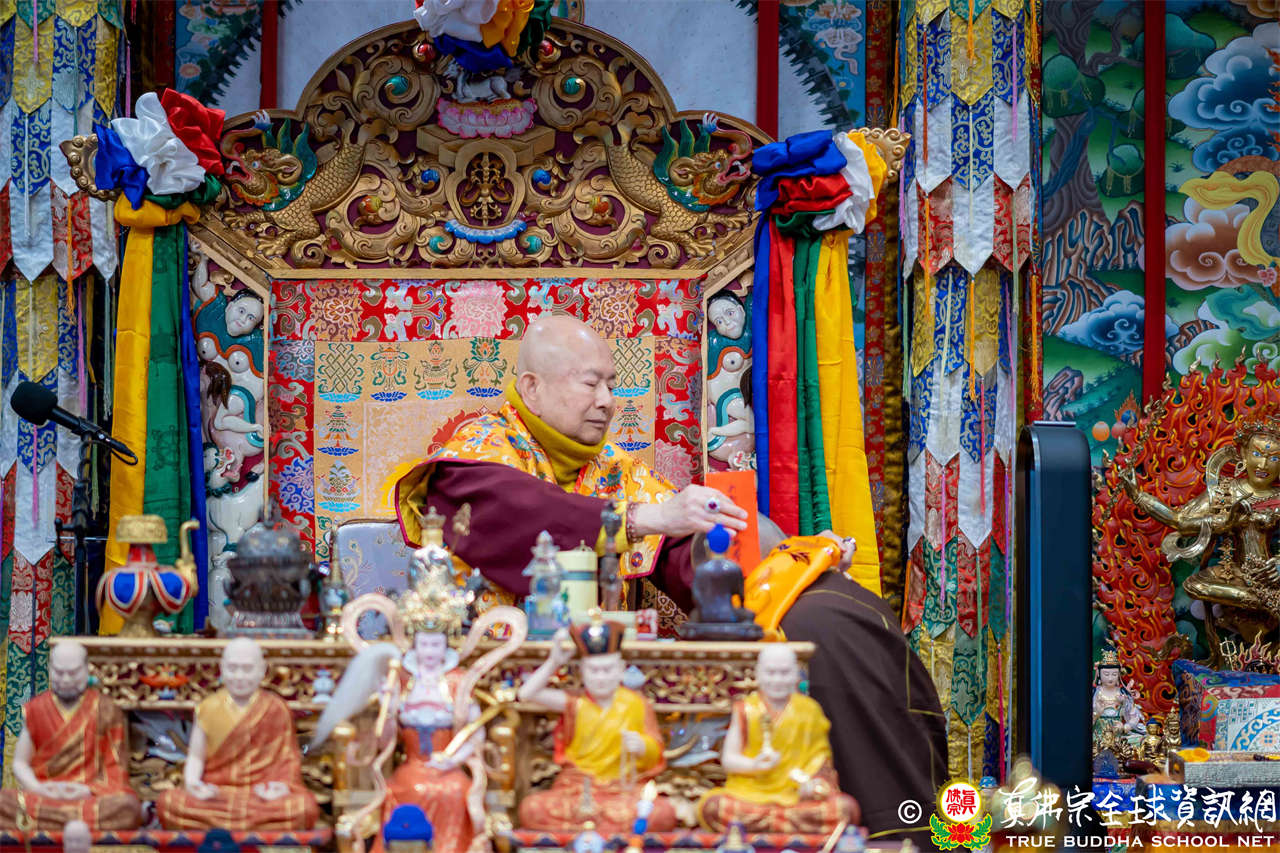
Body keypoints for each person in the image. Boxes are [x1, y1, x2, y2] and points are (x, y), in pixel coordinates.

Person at [396, 314, 947, 843]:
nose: (607, 401)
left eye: (612, 384)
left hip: (607, 683)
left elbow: (692, 545)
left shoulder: (613, 470)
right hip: (495, 680)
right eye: (590, 383)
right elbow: (510, 516)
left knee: (830, 615)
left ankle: (896, 824)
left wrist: (789, 558)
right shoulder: (478, 452)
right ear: (531, 388)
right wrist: (641, 519)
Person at [516, 617, 677, 834]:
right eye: (593, 670)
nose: (601, 678)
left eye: (607, 670)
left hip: (622, 792)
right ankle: (609, 830)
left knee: (662, 813)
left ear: (620, 670)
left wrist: (642, 746)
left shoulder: (636, 704)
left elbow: (655, 751)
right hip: (577, 790)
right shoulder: (576, 704)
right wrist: (554, 662)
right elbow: (526, 694)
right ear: (582, 672)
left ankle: (586, 829)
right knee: (531, 808)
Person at [157, 638, 319, 830]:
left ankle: (222, 827)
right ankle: (248, 827)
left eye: (247, 669)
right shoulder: (208, 708)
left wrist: (281, 787)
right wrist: (193, 783)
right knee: (169, 802)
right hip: (217, 794)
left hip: (262, 797)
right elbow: (196, 756)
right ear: (221, 669)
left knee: (303, 807)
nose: (239, 676)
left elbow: (288, 760)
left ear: (262, 670)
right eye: (232, 668)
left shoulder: (276, 709)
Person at [698, 645, 859, 834]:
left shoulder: (809, 711)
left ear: (795, 675)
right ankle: (784, 824)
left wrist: (813, 784)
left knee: (846, 809)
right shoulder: (746, 709)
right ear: (758, 675)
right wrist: (755, 765)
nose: (777, 680)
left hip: (797, 795)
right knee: (713, 807)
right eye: (771, 673)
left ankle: (765, 824)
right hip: (751, 793)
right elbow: (729, 760)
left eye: (784, 673)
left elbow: (821, 761)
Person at [0, 641, 142, 831]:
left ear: (86, 669)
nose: (66, 680)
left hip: (88, 796)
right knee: (3, 802)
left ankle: (45, 823)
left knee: (127, 808)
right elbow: (20, 763)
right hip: (45, 795)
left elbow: (115, 767)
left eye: (73, 673)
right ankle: (75, 822)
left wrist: (87, 790)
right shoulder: (36, 709)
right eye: (59, 673)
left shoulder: (106, 709)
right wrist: (37, 788)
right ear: (50, 669)